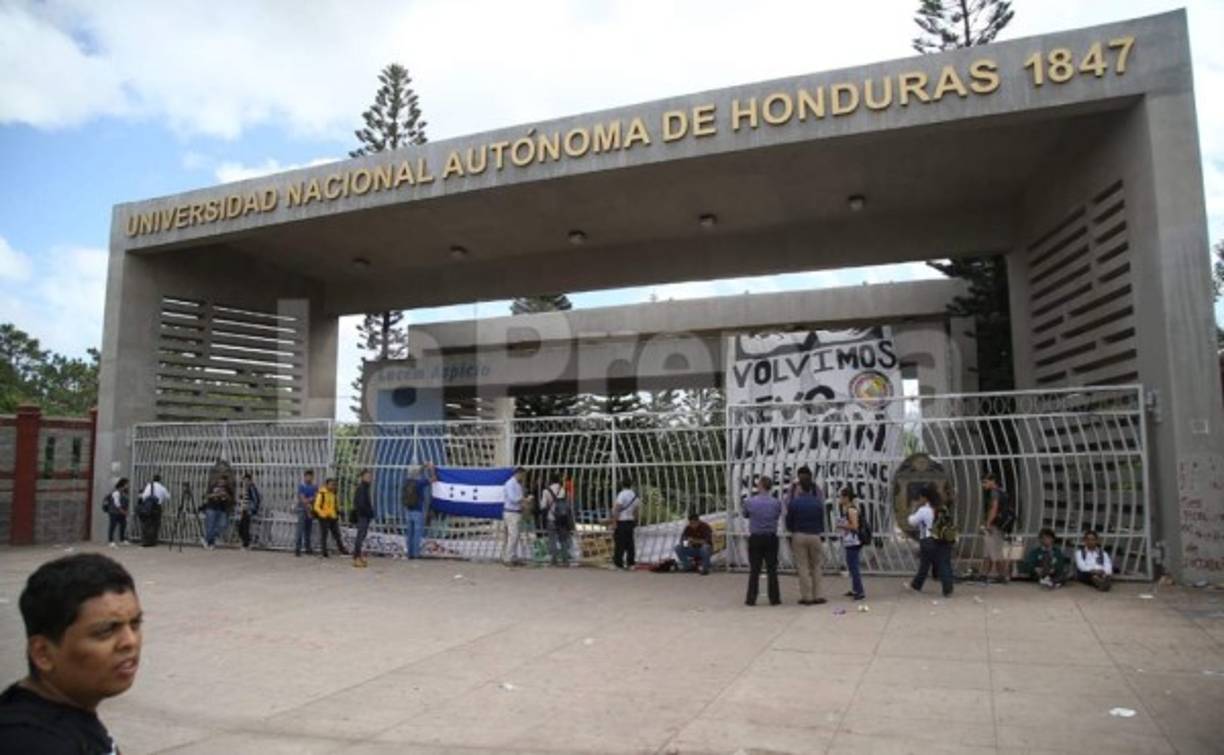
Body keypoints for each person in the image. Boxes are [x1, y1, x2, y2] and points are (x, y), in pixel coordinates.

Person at [0, 553, 141, 753]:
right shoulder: (31, 743)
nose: (130, 642)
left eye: (135, 624)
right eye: (106, 631)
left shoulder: (72, 713)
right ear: (43, 653)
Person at [785, 472, 827, 605]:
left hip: (799, 535)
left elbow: (789, 522)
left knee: (803, 567)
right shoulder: (817, 503)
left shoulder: (794, 503)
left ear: (800, 487)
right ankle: (818, 595)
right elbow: (822, 520)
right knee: (817, 566)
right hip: (815, 535)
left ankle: (806, 597)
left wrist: (793, 530)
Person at [908, 485, 954, 598]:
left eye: (920, 497)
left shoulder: (924, 510)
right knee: (944, 564)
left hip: (928, 540)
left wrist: (914, 508)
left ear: (925, 498)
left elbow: (912, 521)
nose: (919, 499)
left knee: (924, 564)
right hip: (943, 539)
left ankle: (916, 585)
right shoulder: (942, 507)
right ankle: (947, 589)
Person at [742, 476, 783, 606]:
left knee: (754, 569)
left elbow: (745, 514)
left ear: (760, 486)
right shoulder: (776, 502)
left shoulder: (750, 502)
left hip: (756, 537)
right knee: (772, 568)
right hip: (771, 537)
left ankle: (751, 598)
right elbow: (777, 515)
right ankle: (774, 598)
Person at [835, 486, 866, 601]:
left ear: (846, 498)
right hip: (849, 541)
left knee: (854, 567)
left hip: (854, 542)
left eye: (841, 497)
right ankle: (855, 589)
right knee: (851, 565)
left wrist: (841, 525)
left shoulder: (851, 510)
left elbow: (855, 526)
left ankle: (860, 591)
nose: (840, 499)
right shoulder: (847, 509)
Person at [979, 473, 1011, 584]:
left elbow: (994, 508)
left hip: (994, 526)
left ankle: (1003, 576)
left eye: (985, 482)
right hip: (999, 525)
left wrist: (988, 524)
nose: (983, 485)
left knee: (996, 552)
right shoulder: (1002, 492)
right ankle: (984, 574)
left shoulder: (995, 493)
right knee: (987, 552)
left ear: (992, 481)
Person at [401, 464, 434, 560]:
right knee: (417, 533)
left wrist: (423, 467)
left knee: (409, 533)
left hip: (408, 509)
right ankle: (416, 554)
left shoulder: (406, 482)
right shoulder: (420, 483)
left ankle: (409, 553)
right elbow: (434, 479)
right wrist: (431, 469)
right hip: (418, 510)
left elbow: (417, 471)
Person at [501, 467, 532, 565]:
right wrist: (526, 500)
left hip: (515, 512)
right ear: (519, 473)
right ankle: (508, 558)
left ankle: (511, 556)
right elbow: (513, 498)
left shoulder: (517, 484)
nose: (524, 477)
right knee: (513, 536)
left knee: (513, 536)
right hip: (511, 512)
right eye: (523, 474)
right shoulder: (510, 484)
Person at [542, 474, 574, 566]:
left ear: (550, 481)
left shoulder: (546, 491)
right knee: (563, 539)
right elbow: (568, 504)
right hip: (562, 518)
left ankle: (554, 559)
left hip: (551, 517)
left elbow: (543, 505)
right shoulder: (563, 490)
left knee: (552, 538)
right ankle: (565, 560)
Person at [313, 478, 347, 558]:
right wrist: (323, 514)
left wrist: (338, 512)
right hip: (324, 517)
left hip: (332, 517)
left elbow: (335, 505)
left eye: (334, 484)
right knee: (324, 535)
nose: (333, 486)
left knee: (337, 535)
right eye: (331, 484)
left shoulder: (333, 494)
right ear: (327, 485)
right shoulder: (321, 493)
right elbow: (316, 507)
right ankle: (324, 552)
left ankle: (342, 549)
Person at [612, 478, 640, 570]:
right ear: (630, 485)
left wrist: (615, 521)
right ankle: (631, 563)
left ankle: (618, 564)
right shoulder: (634, 496)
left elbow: (617, 508)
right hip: (630, 521)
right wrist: (635, 521)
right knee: (630, 544)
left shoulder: (622, 494)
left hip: (622, 521)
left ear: (622, 485)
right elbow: (636, 511)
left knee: (620, 543)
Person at [201, 473, 234, 550]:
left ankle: (206, 539)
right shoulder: (212, 486)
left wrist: (226, 495)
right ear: (218, 480)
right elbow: (205, 496)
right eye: (221, 480)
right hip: (211, 508)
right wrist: (215, 494)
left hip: (222, 509)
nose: (222, 482)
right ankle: (210, 543)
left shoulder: (228, 488)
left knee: (223, 525)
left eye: (224, 481)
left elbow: (231, 499)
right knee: (210, 526)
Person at [136, 474, 169, 547]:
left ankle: (145, 541)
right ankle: (153, 541)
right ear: (160, 480)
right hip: (157, 507)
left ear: (153, 479)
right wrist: (161, 497)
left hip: (148, 507)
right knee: (156, 524)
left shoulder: (149, 486)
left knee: (147, 524)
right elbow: (168, 497)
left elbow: (144, 496)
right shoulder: (162, 487)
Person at [352, 469, 374, 568]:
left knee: (362, 535)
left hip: (365, 515)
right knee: (360, 536)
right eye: (367, 476)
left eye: (370, 476)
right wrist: (367, 512)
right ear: (363, 477)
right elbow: (361, 504)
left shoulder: (365, 487)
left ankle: (358, 556)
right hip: (362, 515)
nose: (370, 478)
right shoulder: (361, 488)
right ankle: (356, 557)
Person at [295, 469, 317, 557]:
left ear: (312, 477)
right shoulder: (302, 486)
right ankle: (297, 549)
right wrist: (310, 500)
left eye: (310, 476)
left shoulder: (314, 486)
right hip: (302, 510)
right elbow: (302, 499)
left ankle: (308, 548)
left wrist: (308, 501)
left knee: (308, 530)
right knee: (300, 530)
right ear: (304, 477)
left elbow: (316, 497)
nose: (309, 478)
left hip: (311, 510)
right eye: (307, 476)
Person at [236, 472, 262, 550]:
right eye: (244, 480)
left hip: (248, 510)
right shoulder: (246, 488)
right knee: (241, 527)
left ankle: (246, 544)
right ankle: (246, 543)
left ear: (250, 480)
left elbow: (256, 499)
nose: (245, 481)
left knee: (244, 527)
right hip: (244, 510)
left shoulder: (251, 487)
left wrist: (252, 510)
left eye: (246, 480)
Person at [104, 478, 129, 548]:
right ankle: (111, 541)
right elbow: (116, 503)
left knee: (123, 525)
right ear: (123, 485)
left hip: (120, 512)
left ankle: (122, 540)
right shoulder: (116, 492)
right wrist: (123, 511)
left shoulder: (123, 492)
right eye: (127, 484)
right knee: (112, 526)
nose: (127, 486)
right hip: (114, 512)